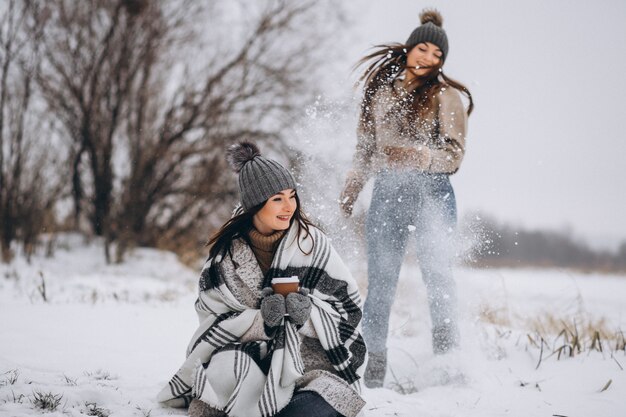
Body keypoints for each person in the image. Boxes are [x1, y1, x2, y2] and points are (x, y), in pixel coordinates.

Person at [158, 142, 366, 417]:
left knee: (322, 401)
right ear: (255, 204)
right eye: (277, 199)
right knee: (226, 370)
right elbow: (210, 321)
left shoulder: (313, 244)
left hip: (309, 364)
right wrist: (260, 323)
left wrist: (309, 316)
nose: (289, 206)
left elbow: (349, 309)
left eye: (292, 196)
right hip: (247, 359)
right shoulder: (225, 257)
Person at [339, 9, 474, 388]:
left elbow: (454, 154)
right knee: (381, 282)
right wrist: (353, 186)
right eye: (424, 48)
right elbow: (365, 148)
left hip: (433, 193)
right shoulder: (380, 93)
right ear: (410, 47)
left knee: (439, 277)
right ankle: (371, 372)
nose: (429, 58)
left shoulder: (446, 97)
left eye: (437, 54)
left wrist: (419, 156)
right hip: (387, 192)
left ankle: (449, 366)